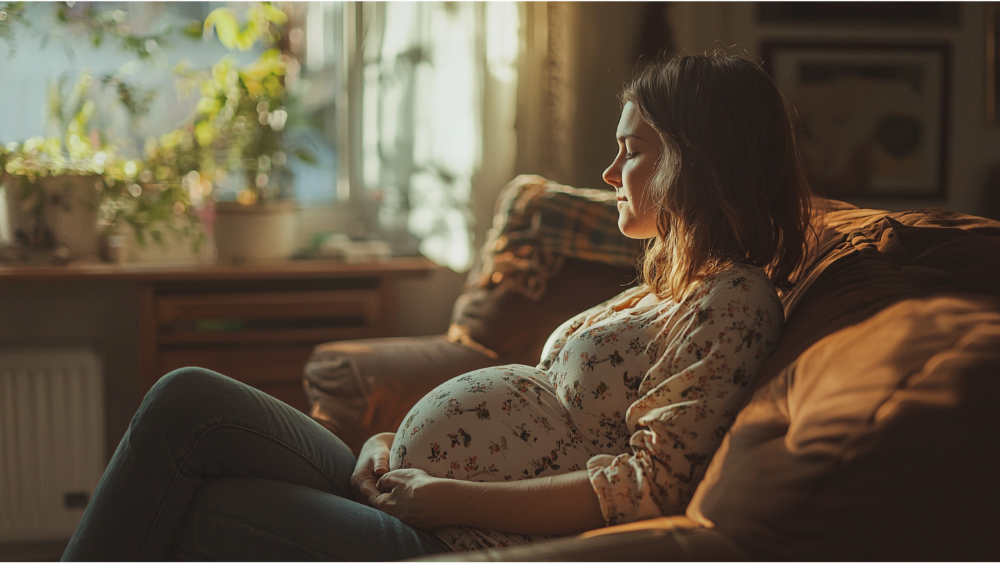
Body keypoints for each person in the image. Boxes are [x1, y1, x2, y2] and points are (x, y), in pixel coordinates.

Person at [61, 53, 812, 563]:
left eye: (634, 150)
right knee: (186, 398)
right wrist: (391, 437)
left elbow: (647, 487)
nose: (610, 171)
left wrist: (442, 494)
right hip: (411, 492)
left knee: (195, 505)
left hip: (455, 537)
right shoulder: (663, 288)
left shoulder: (734, 302)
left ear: (696, 160)